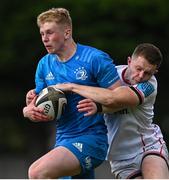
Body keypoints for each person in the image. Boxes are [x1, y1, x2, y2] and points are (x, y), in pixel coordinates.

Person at [22, 7, 121, 179]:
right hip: (63, 140)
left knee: (37, 172)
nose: (45, 39)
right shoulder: (44, 64)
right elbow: (36, 104)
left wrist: (98, 106)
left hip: (93, 139)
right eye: (42, 34)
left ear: (67, 32)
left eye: (50, 33)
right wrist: (28, 111)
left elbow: (121, 99)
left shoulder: (94, 58)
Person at [54, 43, 169, 179]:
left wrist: (74, 88)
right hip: (120, 158)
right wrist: (37, 95)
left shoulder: (150, 85)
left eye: (148, 73)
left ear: (154, 73)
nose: (140, 76)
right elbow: (73, 87)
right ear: (129, 61)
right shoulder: (110, 75)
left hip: (148, 146)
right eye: (138, 68)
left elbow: (114, 99)